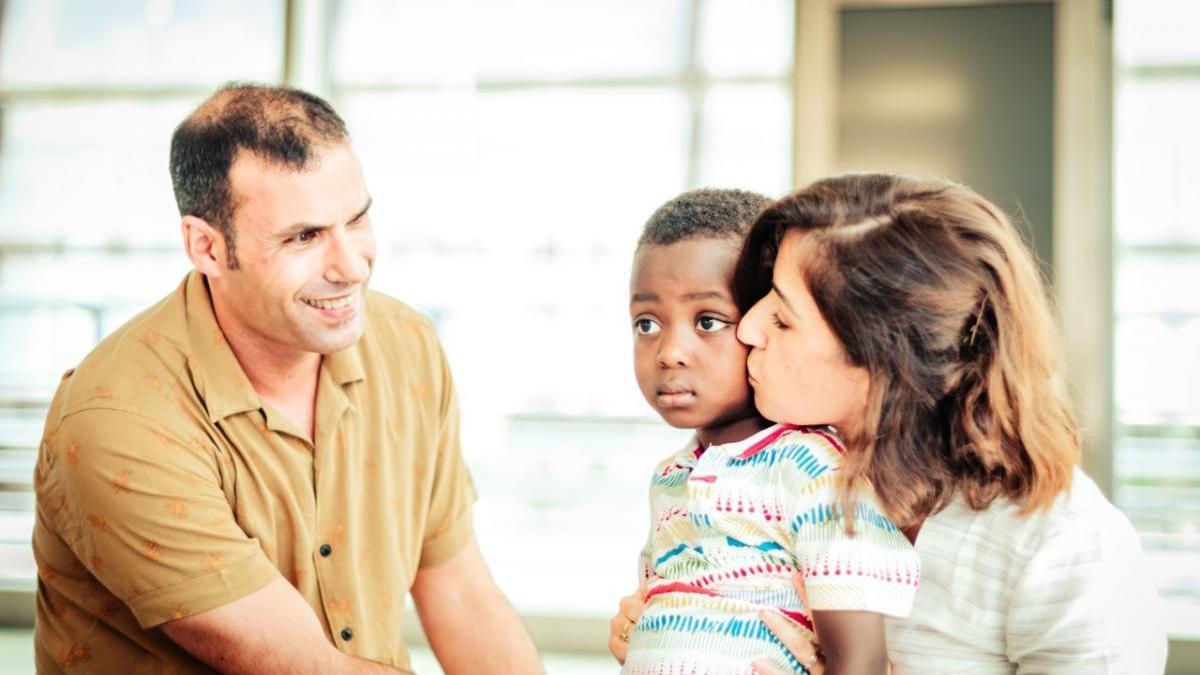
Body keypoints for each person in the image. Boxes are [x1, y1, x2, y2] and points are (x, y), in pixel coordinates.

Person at [32, 83, 542, 674]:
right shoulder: (117, 420)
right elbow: (305, 669)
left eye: (356, 219)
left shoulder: (407, 346)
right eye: (303, 237)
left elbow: (460, 591)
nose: (351, 267)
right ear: (207, 247)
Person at [611, 173, 1168, 673]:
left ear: (879, 355)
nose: (749, 330)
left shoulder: (1063, 545)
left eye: (780, 315)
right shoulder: (749, 479)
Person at [620, 188, 920, 675]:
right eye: (647, 323)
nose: (669, 352)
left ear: (765, 321)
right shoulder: (670, 477)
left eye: (709, 321)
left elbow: (858, 661)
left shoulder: (813, 470)